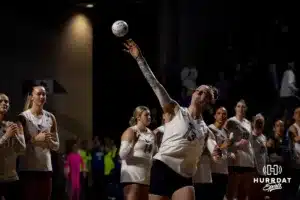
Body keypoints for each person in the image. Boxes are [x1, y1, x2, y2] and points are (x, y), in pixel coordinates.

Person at [123, 39, 220, 200]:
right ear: (193, 93)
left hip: (185, 176)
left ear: (209, 102)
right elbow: (155, 85)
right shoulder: (175, 110)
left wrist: (217, 152)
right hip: (163, 168)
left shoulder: (205, 130)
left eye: (206, 94)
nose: (201, 94)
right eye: (199, 91)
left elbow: (215, 150)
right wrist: (140, 59)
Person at [18, 85, 59, 200]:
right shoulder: (23, 117)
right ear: (31, 97)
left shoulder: (51, 117)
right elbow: (18, 146)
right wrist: (35, 139)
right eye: (38, 94)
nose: (42, 96)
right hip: (27, 169)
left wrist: (49, 141)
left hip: (45, 168)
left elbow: (57, 146)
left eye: (44, 94)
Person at [119, 106, 156, 200]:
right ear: (138, 117)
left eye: (150, 115)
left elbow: (154, 155)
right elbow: (122, 155)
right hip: (132, 177)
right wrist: (133, 142)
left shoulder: (151, 134)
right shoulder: (130, 131)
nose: (149, 117)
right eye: (146, 115)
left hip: (146, 178)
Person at [226, 100, 255, 200]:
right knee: (232, 191)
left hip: (248, 160)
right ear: (235, 108)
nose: (241, 109)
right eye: (238, 106)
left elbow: (250, 142)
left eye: (243, 107)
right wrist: (236, 145)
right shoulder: (230, 121)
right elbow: (226, 141)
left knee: (244, 192)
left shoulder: (248, 123)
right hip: (235, 160)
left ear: (246, 109)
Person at [0, 93, 26, 200]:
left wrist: (16, 135)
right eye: (1, 101)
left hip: (12, 177)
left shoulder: (10, 125)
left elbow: (22, 150)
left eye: (6, 101)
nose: (4, 103)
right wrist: (6, 135)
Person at [208, 107, 231, 200]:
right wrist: (223, 146)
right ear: (215, 116)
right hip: (213, 171)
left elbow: (225, 152)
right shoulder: (210, 129)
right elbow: (212, 151)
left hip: (224, 171)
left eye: (224, 114)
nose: (221, 116)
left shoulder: (226, 132)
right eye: (219, 113)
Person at [249, 114, 267, 200]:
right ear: (253, 123)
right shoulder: (249, 136)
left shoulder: (264, 137)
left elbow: (264, 156)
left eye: (261, 123)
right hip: (253, 172)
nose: (259, 124)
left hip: (262, 173)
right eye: (258, 122)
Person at [286, 107, 300, 200]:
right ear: (294, 116)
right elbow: (296, 139)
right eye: (298, 113)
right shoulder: (292, 127)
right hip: (296, 163)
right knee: (294, 189)